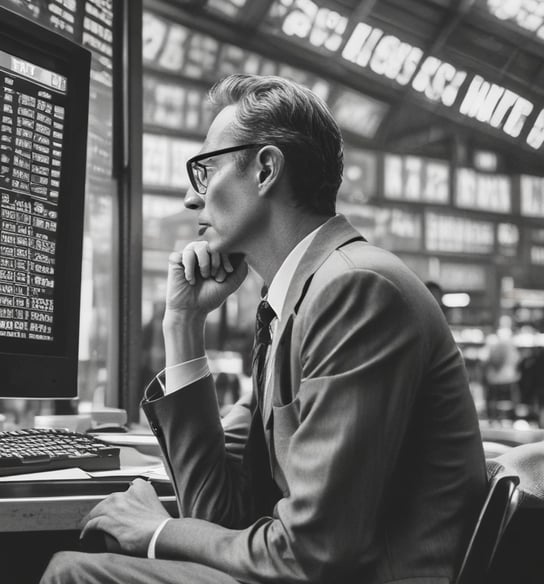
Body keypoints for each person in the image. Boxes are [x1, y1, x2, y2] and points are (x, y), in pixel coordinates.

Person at [41, 74, 486, 583]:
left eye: (205, 170)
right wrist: (184, 325)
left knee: (74, 574)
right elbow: (219, 515)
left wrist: (158, 532)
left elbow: (313, 553)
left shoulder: (355, 289)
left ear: (266, 169)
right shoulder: (292, 308)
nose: (192, 198)